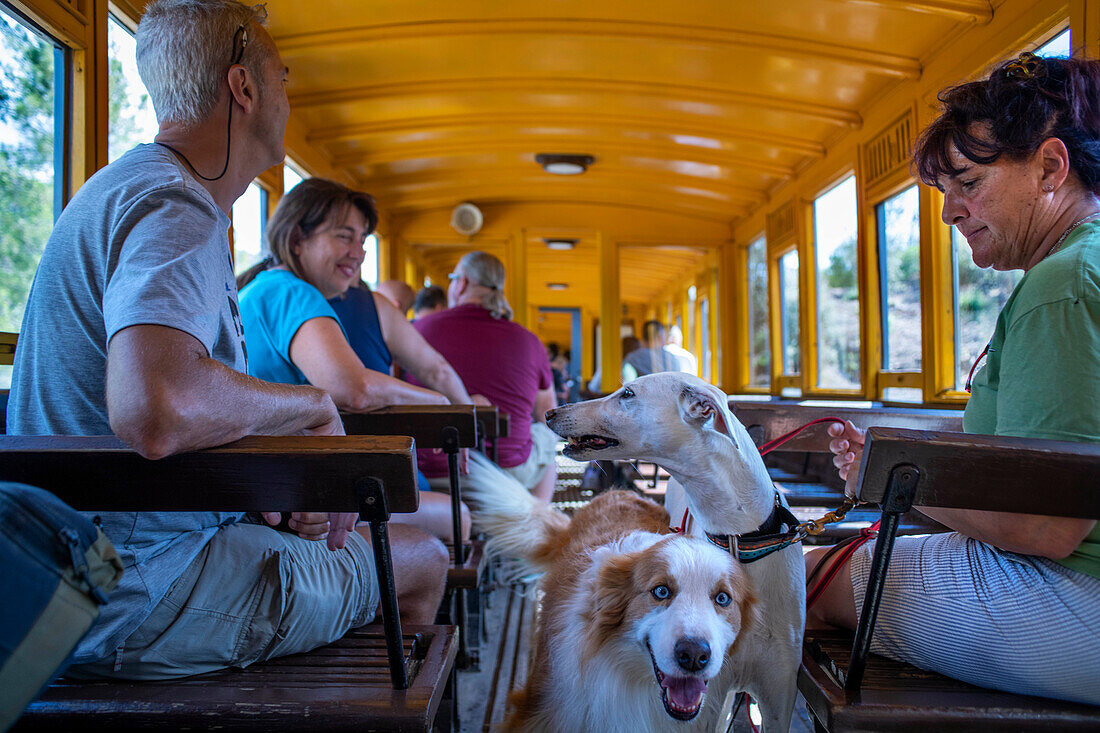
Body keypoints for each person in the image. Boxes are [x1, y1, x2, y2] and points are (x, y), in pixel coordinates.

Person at [5, 0, 446, 681]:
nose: (288, 96)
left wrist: (262, 488)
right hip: (137, 593)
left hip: (76, 570)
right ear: (243, 87)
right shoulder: (178, 206)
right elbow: (153, 403)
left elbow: (167, 407)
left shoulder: (123, 189)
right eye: (284, 76)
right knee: (423, 557)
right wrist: (309, 408)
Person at [806, 51, 1100, 705]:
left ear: (1051, 167)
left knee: (796, 581)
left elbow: (1047, 529)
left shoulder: (1062, 284)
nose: (949, 212)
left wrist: (890, 479)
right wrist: (897, 458)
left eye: (967, 183)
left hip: (1079, 603)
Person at [236, 178, 472, 543]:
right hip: (293, 494)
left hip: (272, 486)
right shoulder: (293, 293)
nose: (358, 253)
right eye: (344, 237)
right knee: (457, 517)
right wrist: (438, 402)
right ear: (298, 239)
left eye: (362, 240)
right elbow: (354, 388)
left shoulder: (256, 290)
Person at [411, 252, 559, 503]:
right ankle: (535, 526)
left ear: (462, 283)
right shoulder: (529, 341)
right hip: (507, 473)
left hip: (431, 471)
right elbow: (547, 412)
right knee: (547, 439)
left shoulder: (417, 330)